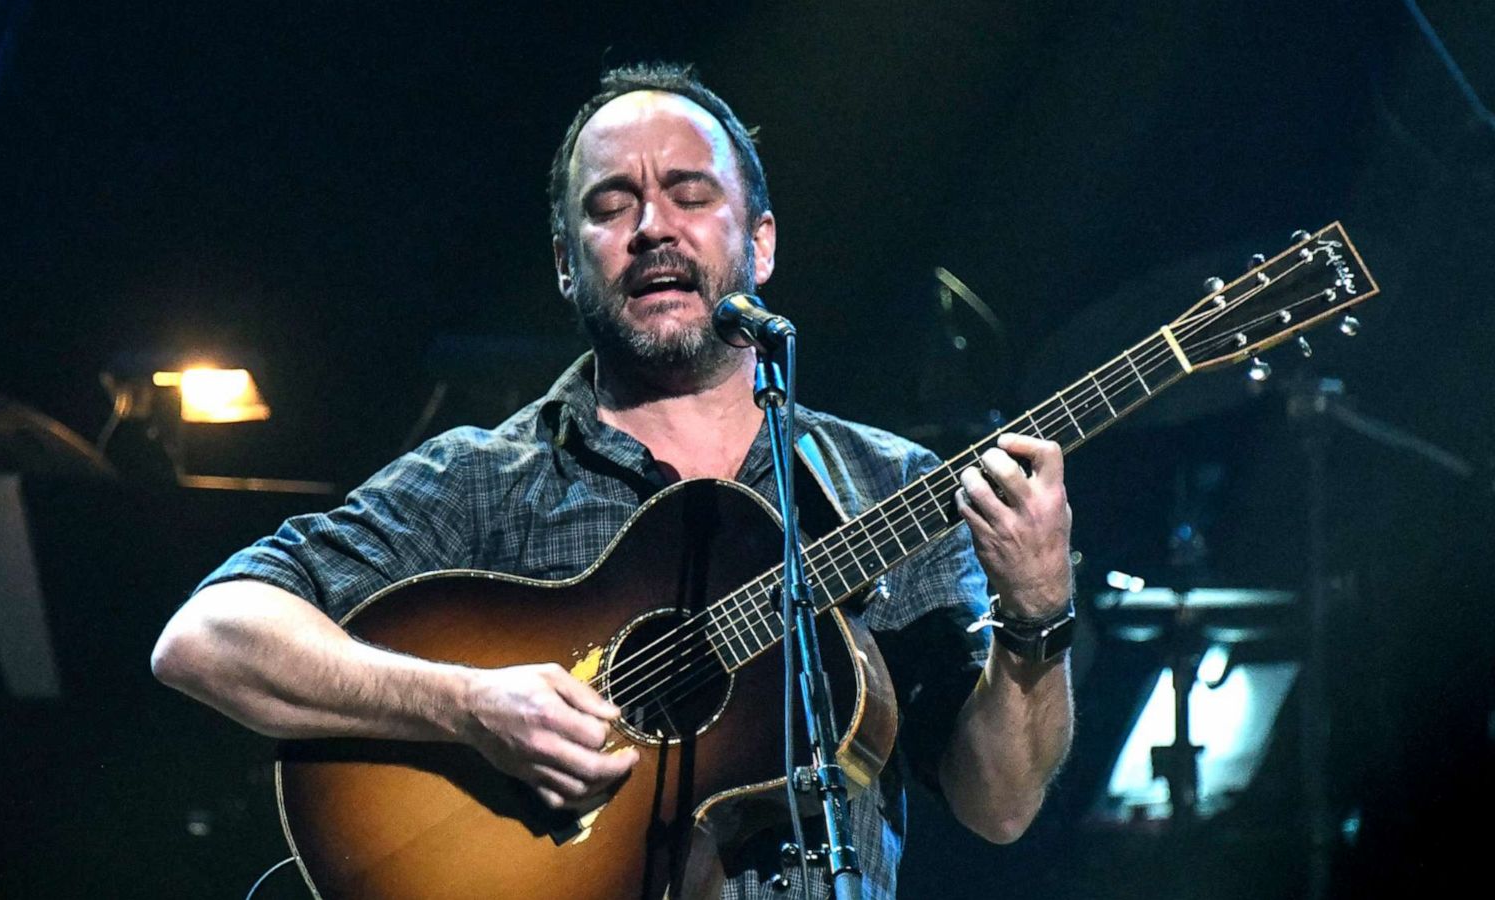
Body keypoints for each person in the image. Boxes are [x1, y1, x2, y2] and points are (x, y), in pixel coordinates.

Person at [152, 62, 1074, 898]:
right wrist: (466, 706)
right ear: (565, 263)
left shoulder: (889, 485)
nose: (652, 229)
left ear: (761, 242)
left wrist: (1036, 611)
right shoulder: (484, 479)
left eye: (688, 193)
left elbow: (999, 807)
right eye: (609, 205)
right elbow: (205, 637)